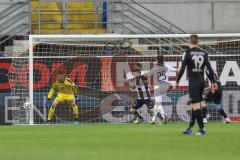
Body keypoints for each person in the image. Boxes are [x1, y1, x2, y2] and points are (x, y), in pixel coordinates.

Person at [175, 34, 216, 135]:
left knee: (196, 106)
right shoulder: (204, 53)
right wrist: (213, 82)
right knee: (195, 105)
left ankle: (202, 129)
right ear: (198, 42)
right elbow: (210, 69)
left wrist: (177, 81)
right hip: (202, 82)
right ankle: (189, 128)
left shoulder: (187, 53)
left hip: (193, 83)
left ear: (189, 41)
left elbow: (182, 68)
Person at [145, 55, 178, 124]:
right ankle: (153, 119)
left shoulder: (155, 68)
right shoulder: (167, 66)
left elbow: (146, 76)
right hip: (165, 86)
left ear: (157, 60)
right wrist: (176, 82)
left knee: (158, 104)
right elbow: (178, 70)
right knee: (156, 104)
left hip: (158, 87)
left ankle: (163, 117)